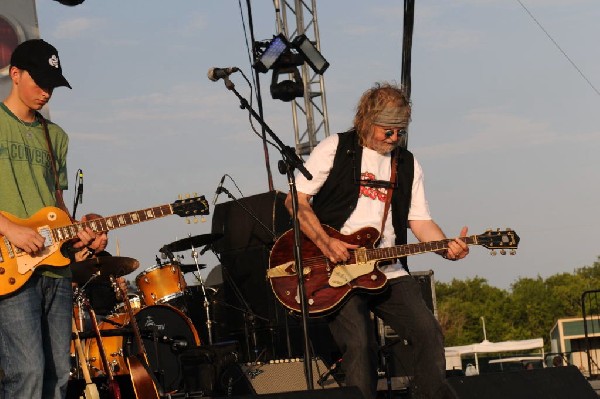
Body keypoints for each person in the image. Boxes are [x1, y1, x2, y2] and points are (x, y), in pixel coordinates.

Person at [285, 82, 469, 399]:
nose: (395, 138)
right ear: (368, 122)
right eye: (389, 131)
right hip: (335, 269)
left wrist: (445, 247)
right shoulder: (335, 148)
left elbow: (420, 221)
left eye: (401, 131)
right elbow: (295, 201)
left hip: (389, 270)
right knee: (359, 343)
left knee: (428, 332)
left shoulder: (408, 164)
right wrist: (327, 243)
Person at [0, 39, 104, 399]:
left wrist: (81, 234)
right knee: (26, 372)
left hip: (55, 270)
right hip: (10, 268)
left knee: (58, 375)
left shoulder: (55, 136)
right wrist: (9, 227)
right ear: (15, 74)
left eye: (52, 86)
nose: (46, 93)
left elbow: (55, 207)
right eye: (40, 82)